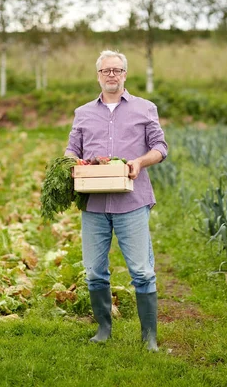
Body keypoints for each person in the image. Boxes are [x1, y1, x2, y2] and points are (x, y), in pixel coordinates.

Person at [64, 50, 168, 352]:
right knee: (95, 270)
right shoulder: (83, 113)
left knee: (141, 270)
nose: (112, 74)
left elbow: (160, 147)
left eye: (117, 70)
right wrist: (72, 163)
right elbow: (72, 149)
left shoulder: (145, 108)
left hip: (132, 202)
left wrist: (139, 162)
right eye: (106, 70)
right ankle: (103, 329)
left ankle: (149, 336)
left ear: (125, 74)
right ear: (98, 75)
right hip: (94, 204)